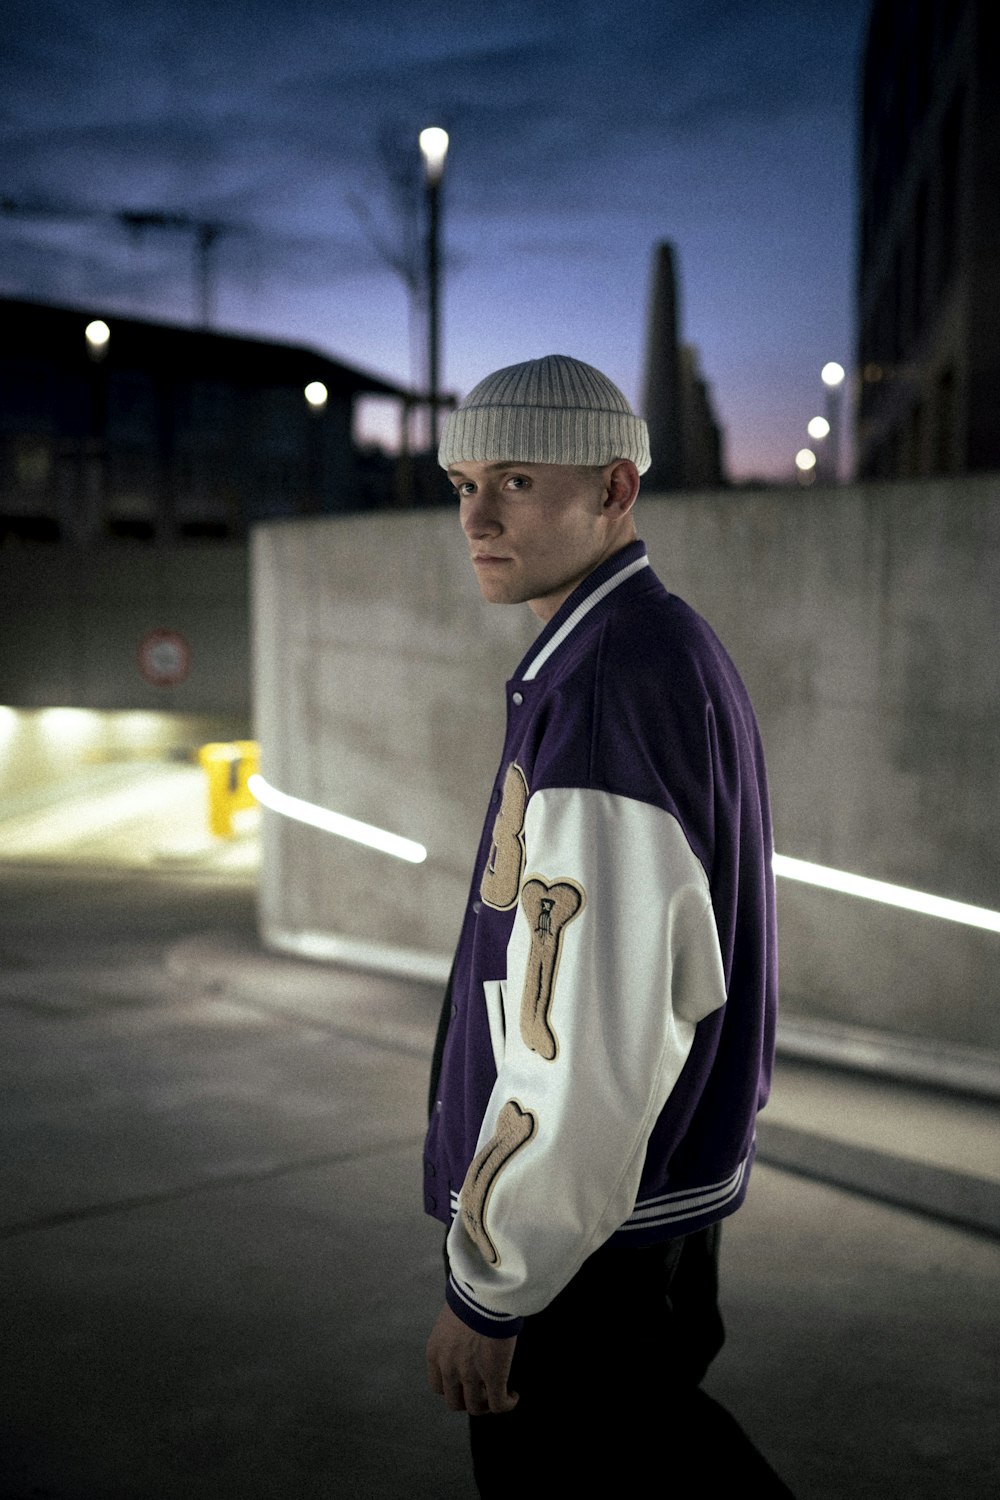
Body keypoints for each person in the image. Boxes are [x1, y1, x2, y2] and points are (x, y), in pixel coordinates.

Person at [422, 354, 788, 1495]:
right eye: (462, 482)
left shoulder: (601, 694)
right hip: (647, 1204)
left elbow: (580, 1035)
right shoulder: (656, 643)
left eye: (517, 482)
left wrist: (495, 1280)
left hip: (589, 1240)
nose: (477, 515)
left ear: (615, 489)